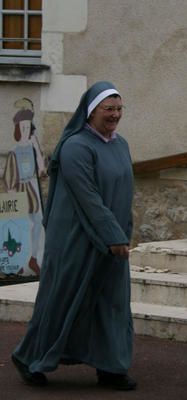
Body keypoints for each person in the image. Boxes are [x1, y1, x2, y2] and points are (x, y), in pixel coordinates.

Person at [11, 81, 136, 391]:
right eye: (109, 109)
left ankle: (111, 367)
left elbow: (124, 191)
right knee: (61, 300)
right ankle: (30, 358)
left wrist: (123, 230)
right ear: (91, 111)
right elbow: (88, 198)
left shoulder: (120, 145)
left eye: (119, 109)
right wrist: (113, 235)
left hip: (113, 240)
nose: (115, 115)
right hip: (75, 241)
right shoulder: (76, 147)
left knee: (111, 303)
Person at [3, 100, 46, 275]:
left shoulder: (33, 148)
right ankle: (18, 261)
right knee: (22, 226)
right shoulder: (14, 152)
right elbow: (9, 178)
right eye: (23, 127)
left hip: (34, 188)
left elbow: (42, 170)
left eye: (29, 127)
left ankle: (34, 258)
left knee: (38, 224)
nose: (26, 130)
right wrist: (12, 196)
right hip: (20, 191)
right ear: (18, 129)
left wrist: (36, 147)